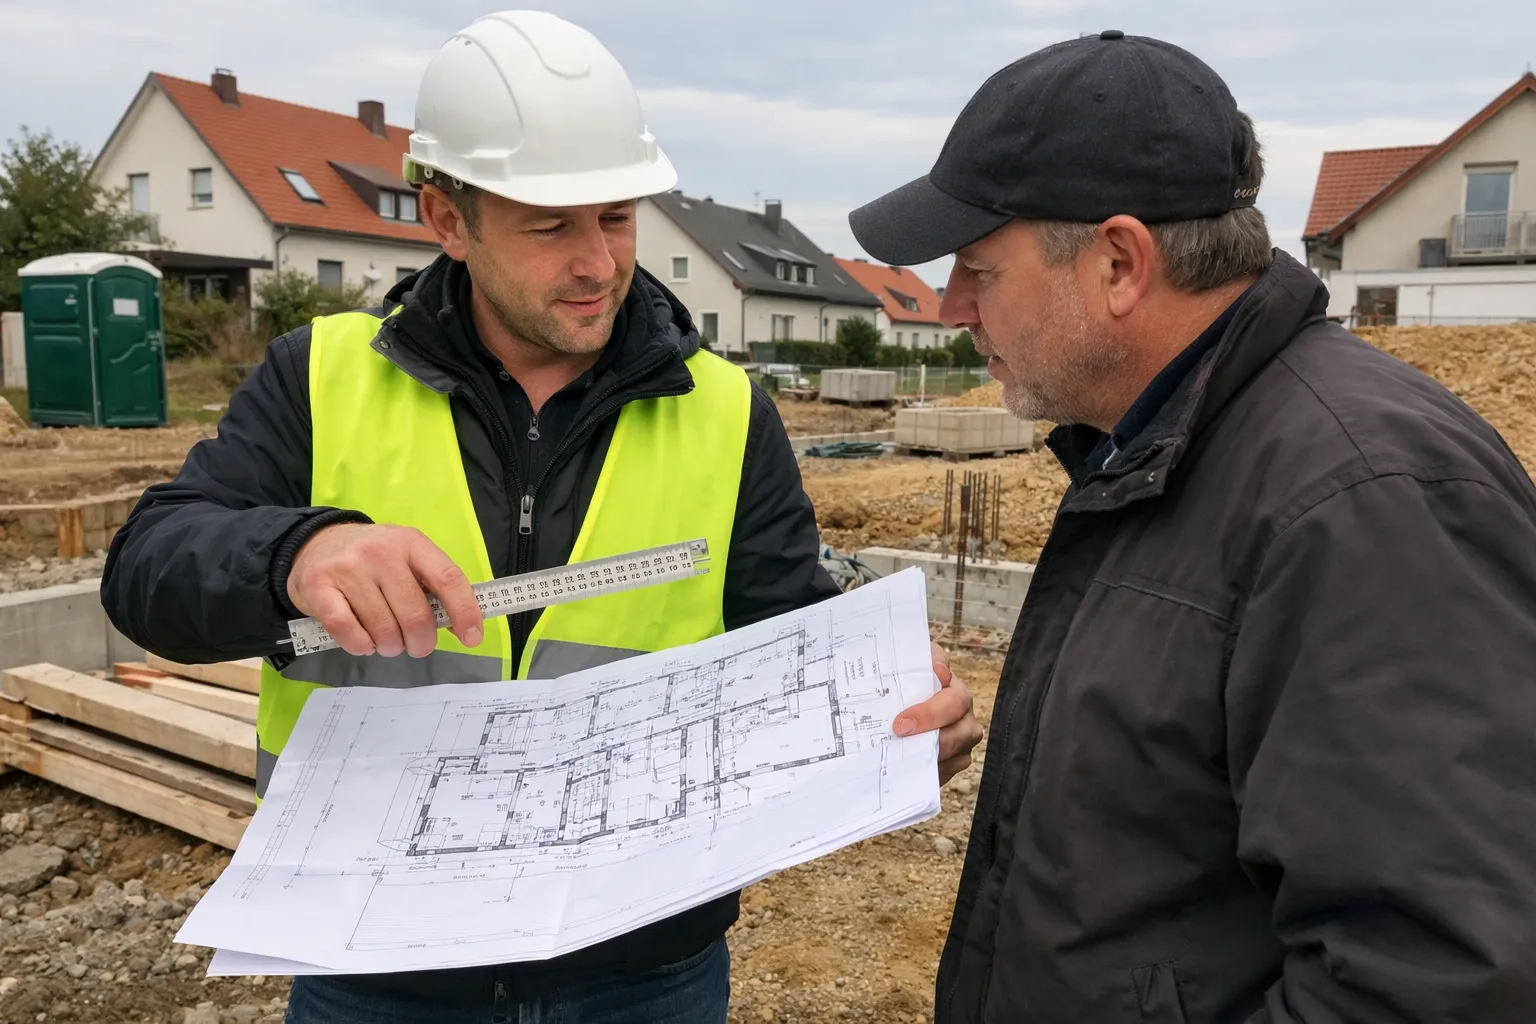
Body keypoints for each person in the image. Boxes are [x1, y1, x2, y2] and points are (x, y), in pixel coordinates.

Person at [101, 11, 980, 1024]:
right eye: (551, 225)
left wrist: (892, 729)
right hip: (378, 963)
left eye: (616, 218)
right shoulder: (320, 379)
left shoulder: (728, 413)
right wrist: (295, 552)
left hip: (642, 969)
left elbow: (785, 651)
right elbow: (147, 572)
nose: (600, 263)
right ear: (446, 218)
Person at [850, 29, 1536, 1024]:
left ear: (1119, 263)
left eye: (979, 268)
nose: (950, 306)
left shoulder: (1367, 504)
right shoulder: (1159, 449)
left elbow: (1436, 981)